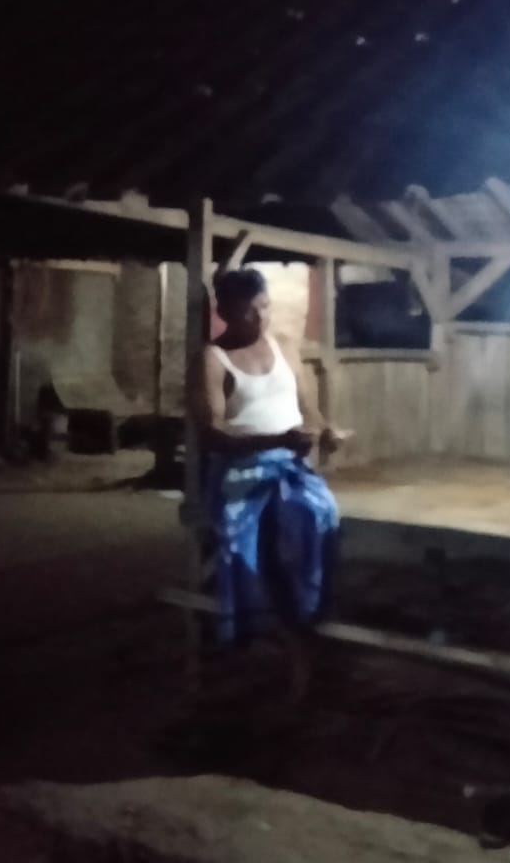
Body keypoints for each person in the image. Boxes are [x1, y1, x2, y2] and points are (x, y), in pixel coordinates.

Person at [193, 267, 347, 701]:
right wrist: (273, 441)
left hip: (288, 462)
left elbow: (308, 409)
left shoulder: (284, 348)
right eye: (249, 311)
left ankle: (307, 613)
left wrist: (326, 432)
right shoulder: (213, 359)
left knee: (320, 515)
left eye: (264, 307)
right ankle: (262, 628)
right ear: (225, 311)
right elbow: (212, 432)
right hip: (240, 468)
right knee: (260, 533)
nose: (260, 318)